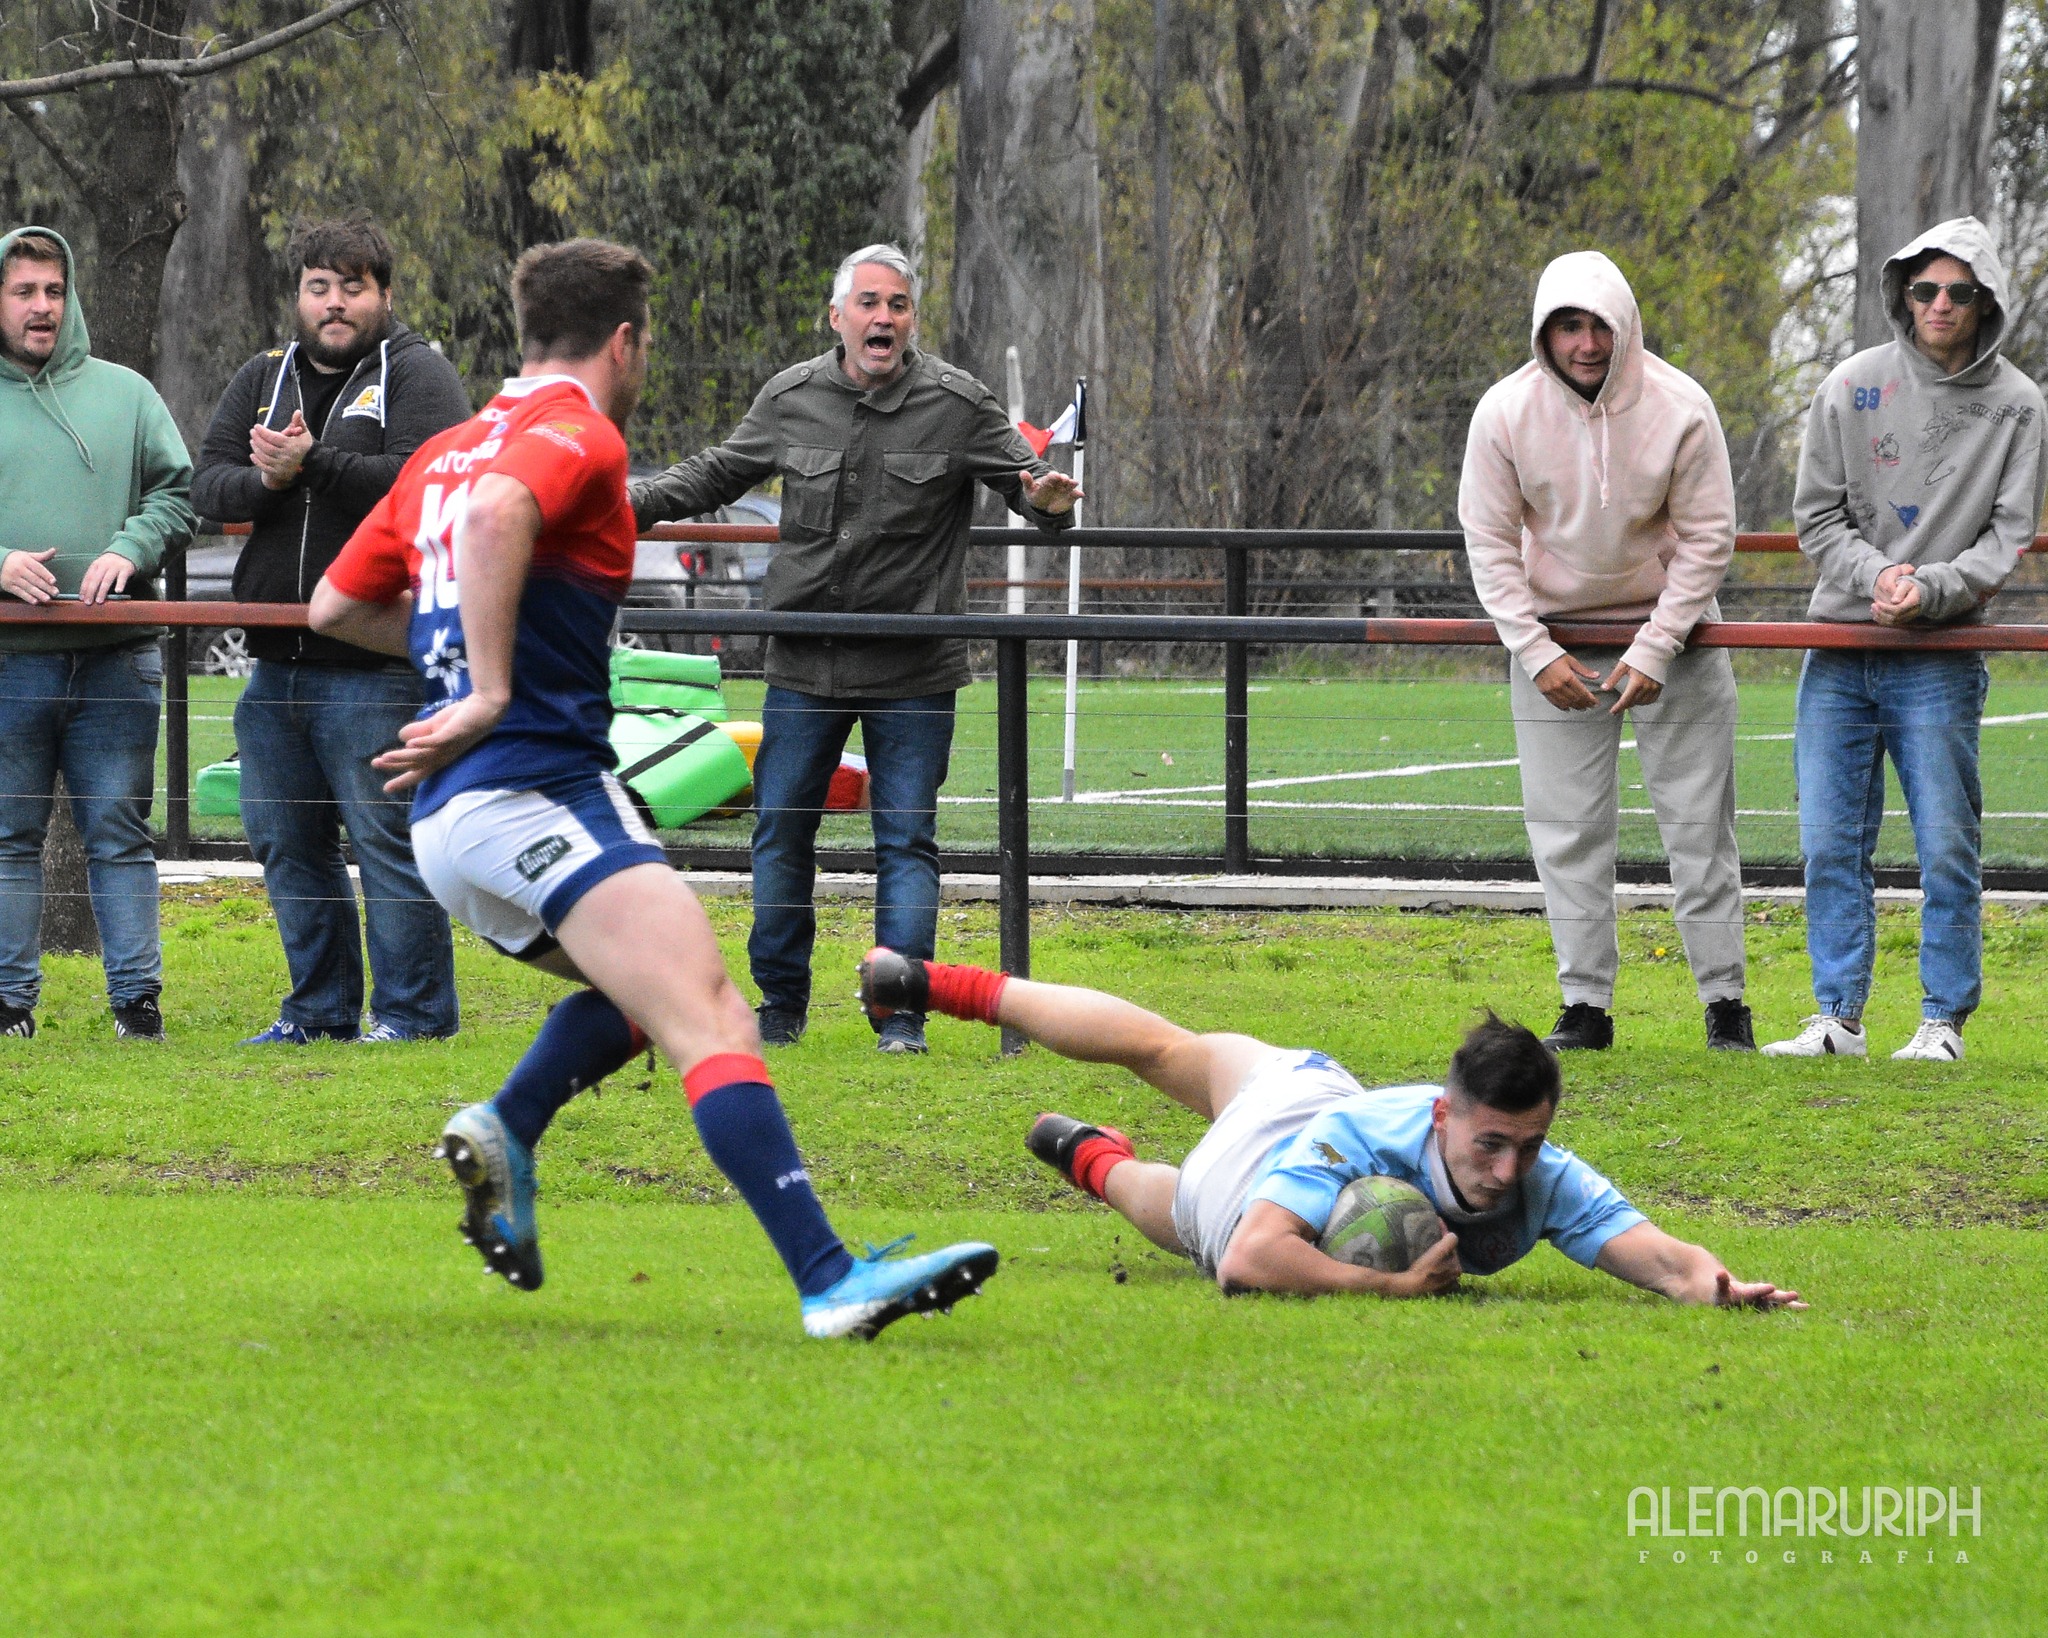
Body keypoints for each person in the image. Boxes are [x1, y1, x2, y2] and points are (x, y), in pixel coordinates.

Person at [308, 238, 998, 1340]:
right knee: (711, 1011)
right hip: (528, 791)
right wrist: (489, 691)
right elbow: (496, 520)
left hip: (456, 819)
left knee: (644, 996)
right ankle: (828, 1281)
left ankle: (508, 1124)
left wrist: (468, 669)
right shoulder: (575, 431)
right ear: (622, 342)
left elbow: (333, 610)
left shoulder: (440, 448)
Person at [629, 244, 1081, 1055]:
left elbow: (1030, 485)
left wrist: (1046, 500)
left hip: (913, 669)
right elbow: (713, 475)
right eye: (868, 303)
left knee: (905, 838)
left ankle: (900, 1014)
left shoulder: (956, 401)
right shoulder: (791, 397)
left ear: (911, 320)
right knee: (780, 831)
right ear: (837, 316)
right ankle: (779, 1009)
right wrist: (615, 504)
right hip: (804, 663)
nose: (883, 318)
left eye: (897, 306)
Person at [857, 948, 1804, 1308]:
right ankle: (933, 986)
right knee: (1181, 1157)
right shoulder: (1357, 1138)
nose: (1510, 1170)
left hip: (1307, 1092)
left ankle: (1081, 1149)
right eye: (1490, 1146)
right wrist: (1383, 1288)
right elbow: (1249, 1267)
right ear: (1444, 1117)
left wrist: (1718, 1288)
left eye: (1528, 1144)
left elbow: (1668, 1260)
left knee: (1154, 1179)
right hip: (1293, 1117)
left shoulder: (1540, 1169)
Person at [1765, 218, 2048, 1063]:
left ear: (1985, 301)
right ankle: (1835, 1016)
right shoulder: (1850, 385)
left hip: (1944, 654)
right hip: (1844, 646)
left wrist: (1932, 592)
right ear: (1901, 292)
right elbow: (1816, 516)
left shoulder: (2020, 405)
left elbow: (2008, 537)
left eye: (1960, 291)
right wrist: (1878, 577)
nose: (1940, 304)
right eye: (1925, 289)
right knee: (1827, 838)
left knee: (1945, 839)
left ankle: (1943, 1020)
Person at [1460, 250, 1751, 1054]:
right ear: (1543, 333)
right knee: (1566, 828)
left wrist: (1659, 646)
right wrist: (1533, 648)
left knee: (1700, 827)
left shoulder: (1682, 405)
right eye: (1568, 327)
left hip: (1678, 638)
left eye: (1599, 326)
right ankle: (1584, 1005)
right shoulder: (1504, 412)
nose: (1586, 343)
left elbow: (1708, 538)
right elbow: (1487, 541)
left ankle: (1726, 1004)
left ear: (1625, 326)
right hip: (1556, 646)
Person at [193, 213, 471, 1045]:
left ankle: (414, 1017)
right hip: (273, 661)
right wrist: (272, 484)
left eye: (353, 287)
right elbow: (208, 484)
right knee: (289, 845)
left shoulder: (420, 374)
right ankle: (317, 1014)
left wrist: (313, 464)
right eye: (320, 287)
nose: (335, 304)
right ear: (300, 297)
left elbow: (426, 485)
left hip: (376, 663)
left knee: (386, 844)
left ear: (383, 295)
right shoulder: (263, 375)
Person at [0, 226, 196, 1041]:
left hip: (117, 659)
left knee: (119, 833)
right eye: (23, 292)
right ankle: (9, 1006)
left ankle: (136, 1005)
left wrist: (129, 547)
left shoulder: (129, 394)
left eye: (53, 290)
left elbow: (177, 496)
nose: (41, 307)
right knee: (7, 836)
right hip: (9, 663)